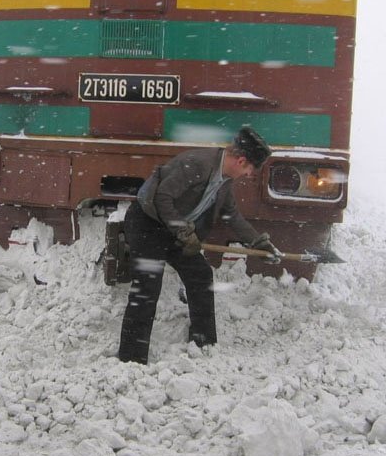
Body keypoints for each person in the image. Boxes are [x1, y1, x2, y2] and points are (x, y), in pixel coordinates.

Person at [117, 127, 281, 365]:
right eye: (248, 169)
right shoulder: (197, 164)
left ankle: (203, 343)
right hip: (147, 223)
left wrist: (258, 242)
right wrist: (183, 230)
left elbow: (232, 215)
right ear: (241, 160)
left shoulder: (223, 180)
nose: (247, 174)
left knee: (201, 275)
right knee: (148, 285)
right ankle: (131, 358)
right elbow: (162, 197)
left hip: (176, 230)